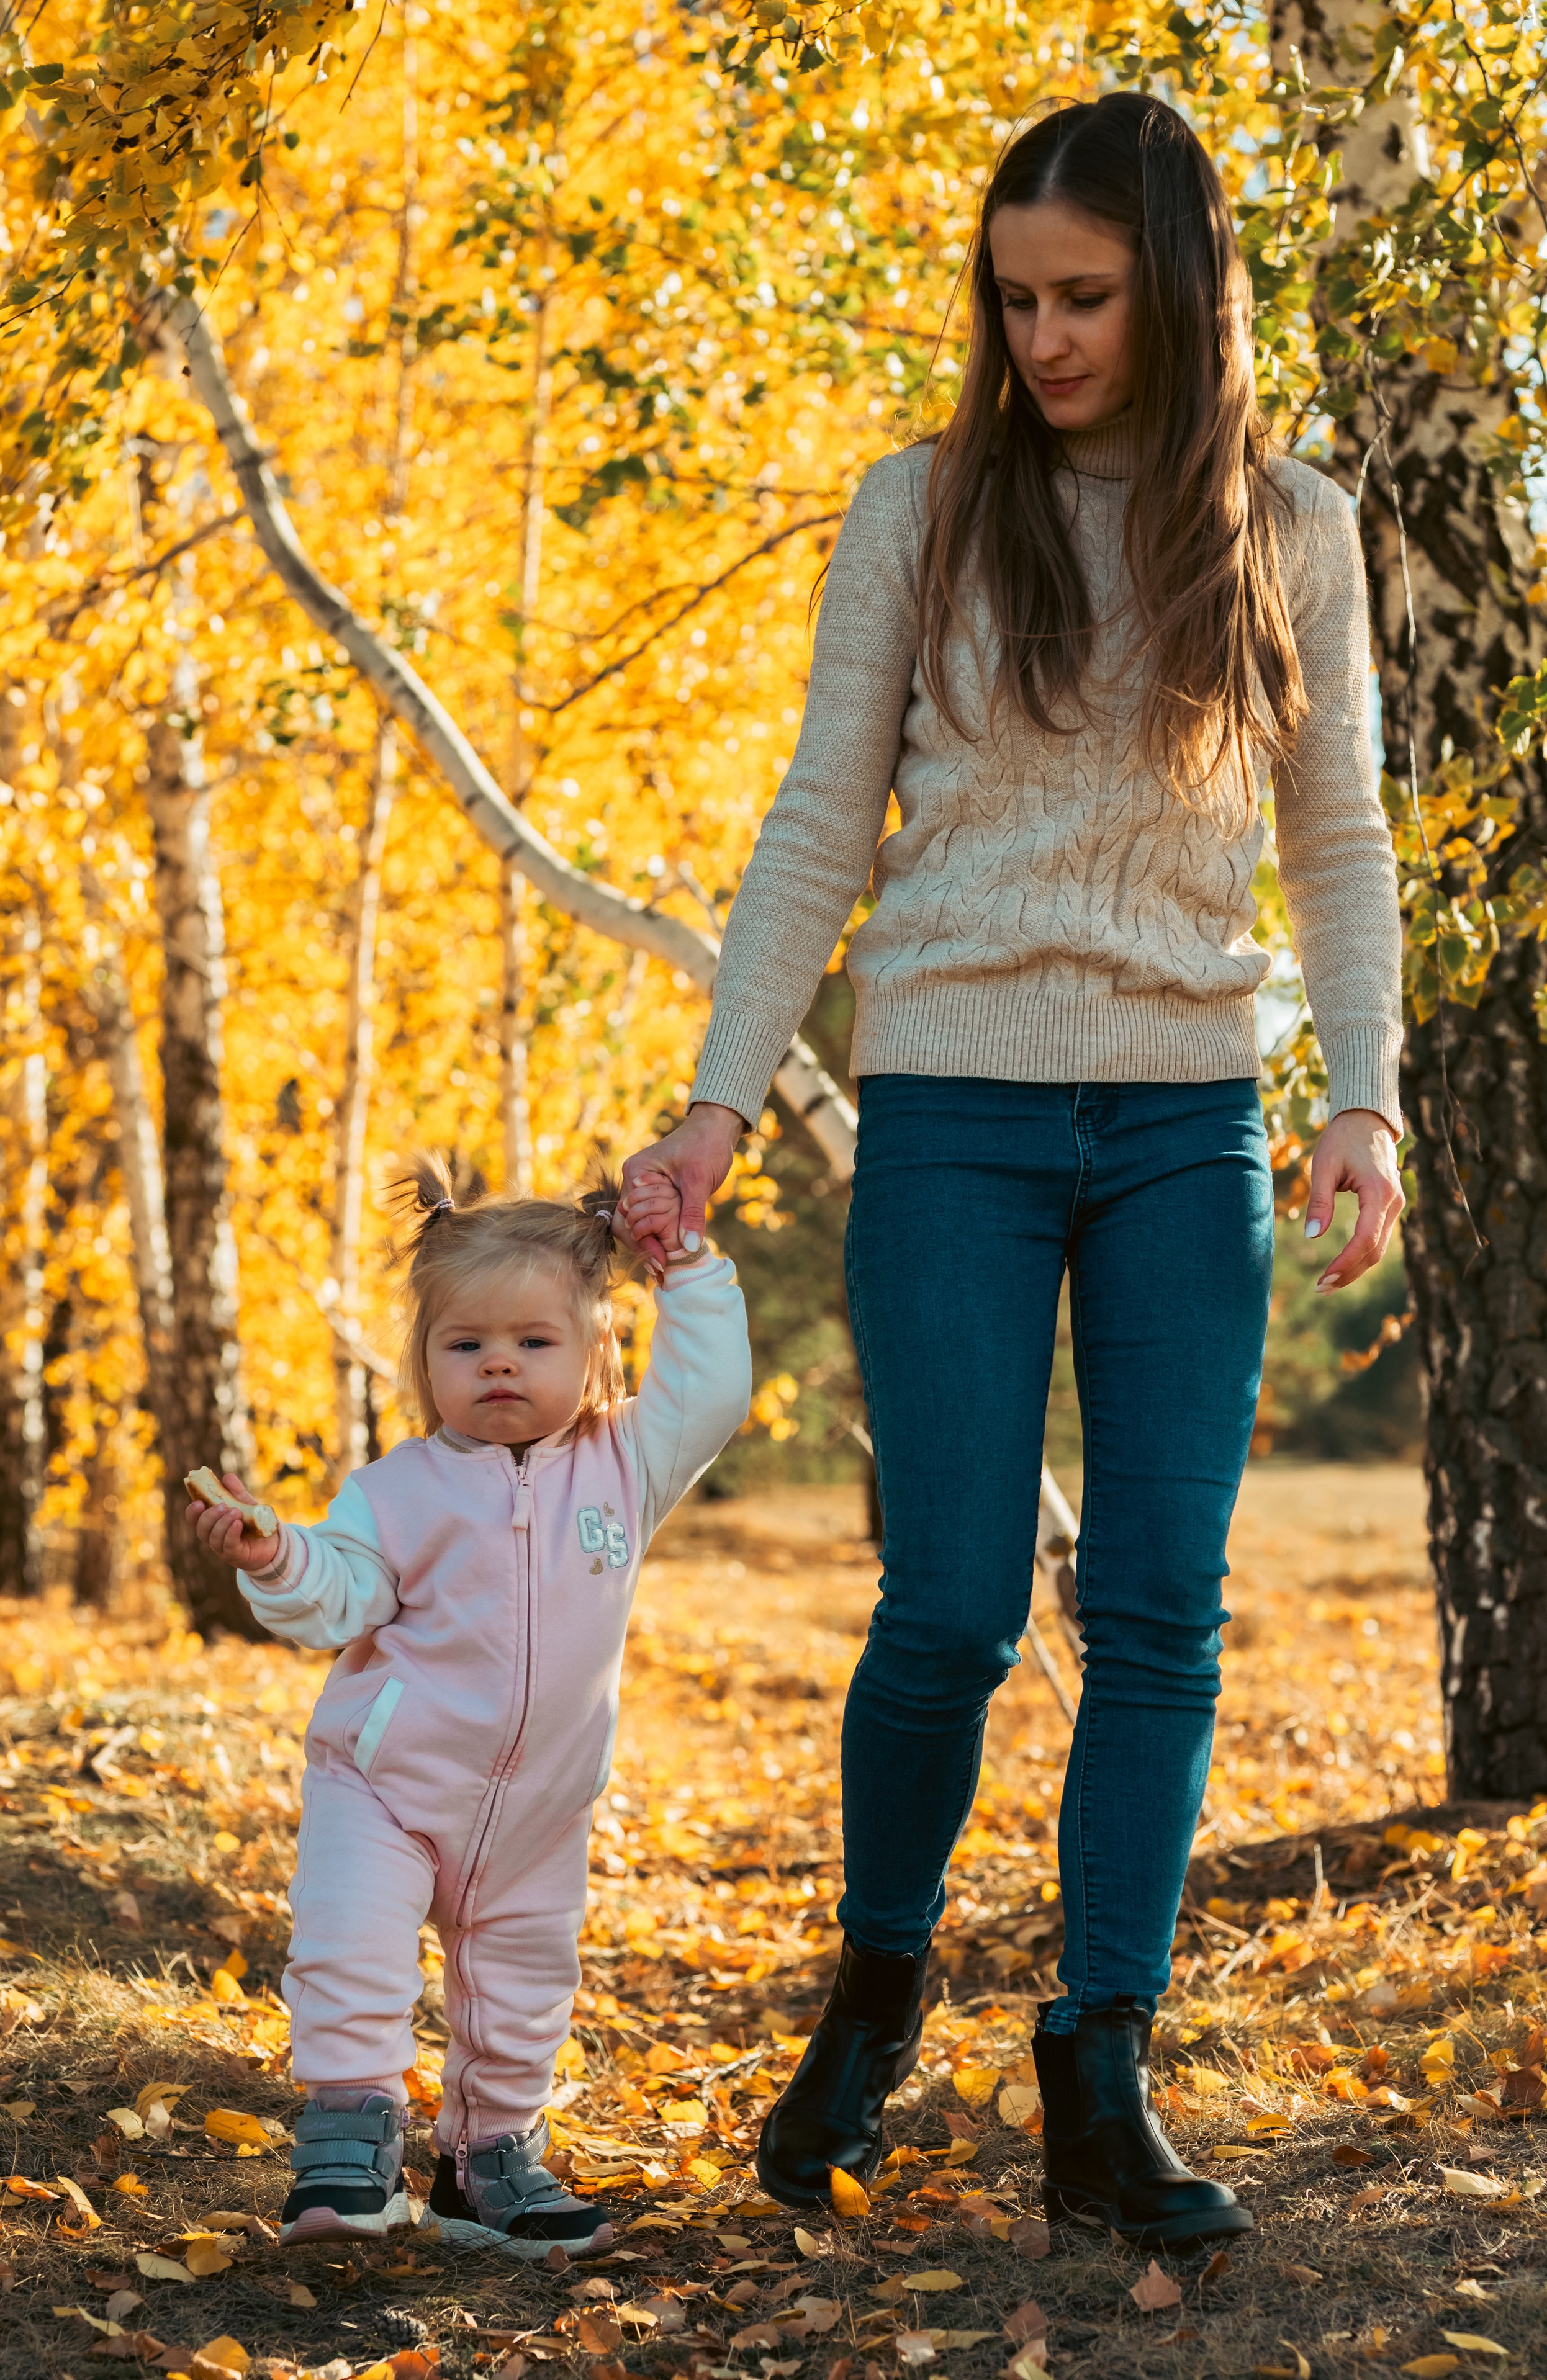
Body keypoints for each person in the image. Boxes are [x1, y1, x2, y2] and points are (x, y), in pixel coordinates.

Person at [618, 92, 1404, 2251]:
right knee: (950, 1601)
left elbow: (1341, 840)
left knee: (1161, 1609)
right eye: (1012, 296)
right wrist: (716, 1096)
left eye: (1081, 295)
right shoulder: (925, 509)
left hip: (1189, 1120)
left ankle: (1103, 2060)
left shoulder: (1292, 528)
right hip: (950, 1099)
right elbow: (814, 824)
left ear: (1178, 289)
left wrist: (1366, 1096)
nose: (1039, 334)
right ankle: (877, 1978)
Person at [187, 1160, 750, 2259]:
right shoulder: (396, 1490)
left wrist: (682, 1265)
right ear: (426, 1361)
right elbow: (337, 1592)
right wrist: (276, 1554)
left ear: (594, 1352)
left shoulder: (627, 1465)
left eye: (535, 1343)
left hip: (540, 1803)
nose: (499, 1361)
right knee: (351, 1953)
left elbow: (715, 1390)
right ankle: (348, 2141)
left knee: (524, 1982)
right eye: (466, 1345)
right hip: (385, 1785)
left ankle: (489, 2162)